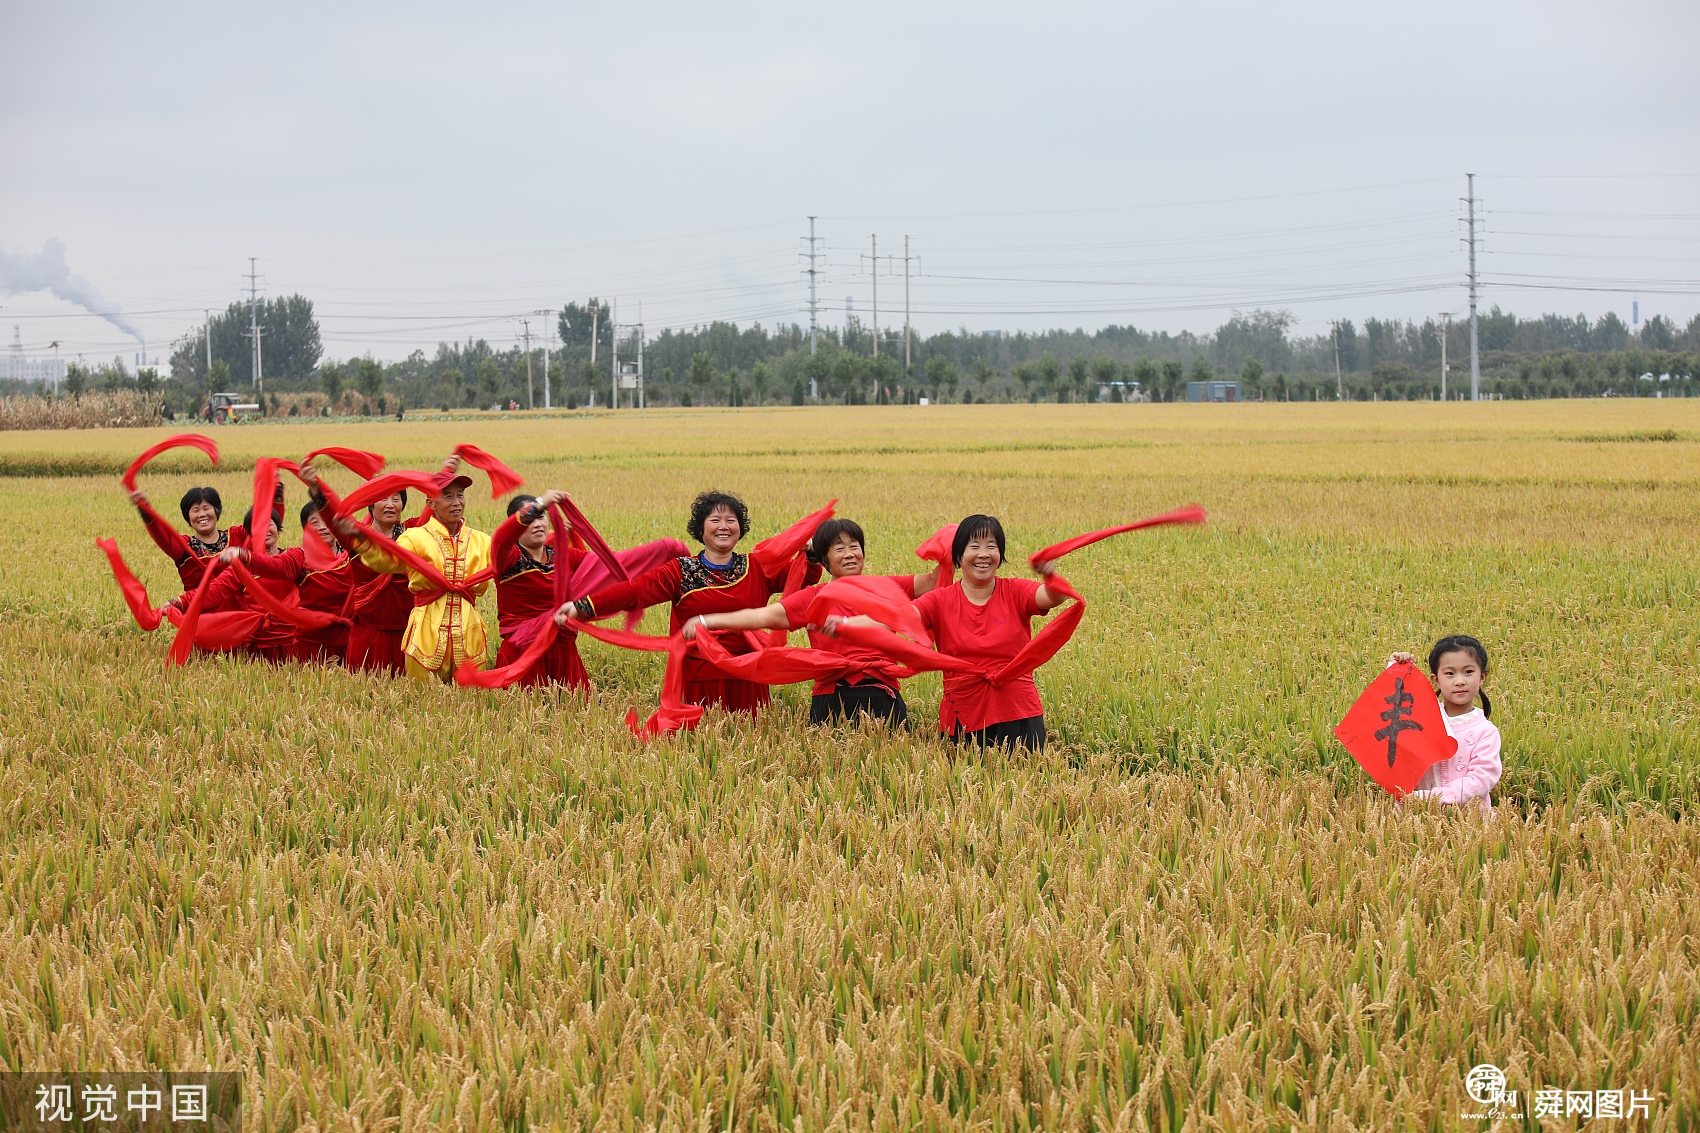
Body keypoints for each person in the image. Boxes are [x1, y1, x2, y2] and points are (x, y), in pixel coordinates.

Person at [566, 490, 818, 712]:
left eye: (731, 520)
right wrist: (584, 606)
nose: (724, 526)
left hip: (748, 674)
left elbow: (802, 577)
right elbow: (634, 591)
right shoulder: (680, 570)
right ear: (700, 529)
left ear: (740, 530)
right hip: (699, 676)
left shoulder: (757, 567)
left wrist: (811, 552)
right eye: (715, 520)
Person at [680, 518, 935, 725]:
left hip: (883, 692)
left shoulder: (887, 587)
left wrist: (953, 543)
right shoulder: (813, 597)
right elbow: (763, 616)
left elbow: (933, 584)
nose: (849, 554)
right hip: (833, 695)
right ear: (824, 561)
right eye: (839, 548)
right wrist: (707, 619)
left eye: (854, 546)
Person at [905, 514, 1068, 751]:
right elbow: (900, 618)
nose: (984, 554)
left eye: (991, 546)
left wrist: (1050, 575)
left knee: (1023, 784)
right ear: (959, 556)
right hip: (963, 713)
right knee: (966, 784)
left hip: (1017, 710)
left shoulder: (1015, 591)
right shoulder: (940, 600)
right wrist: (847, 624)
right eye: (974, 546)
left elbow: (1054, 597)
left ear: (1000, 555)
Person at [336, 461, 493, 683]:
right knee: (422, 703)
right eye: (448, 496)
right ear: (430, 502)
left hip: (469, 637)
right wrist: (360, 536)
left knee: (471, 706)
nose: (457, 502)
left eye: (460, 495)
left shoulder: (482, 541)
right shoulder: (415, 537)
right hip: (425, 640)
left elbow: (510, 563)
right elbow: (387, 560)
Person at [1386, 635, 1502, 813]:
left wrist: (1430, 798)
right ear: (1436, 679)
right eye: (1449, 673)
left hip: (1469, 825)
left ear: (1482, 677)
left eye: (1468, 672)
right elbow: (1393, 710)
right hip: (1417, 819)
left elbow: (1480, 780)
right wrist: (1396, 669)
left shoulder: (1485, 732)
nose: (1460, 681)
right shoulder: (1422, 718)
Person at [235, 499, 354, 664]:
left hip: (349, 639)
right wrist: (245, 556)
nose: (322, 527)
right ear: (305, 528)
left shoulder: (352, 556)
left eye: (327, 521)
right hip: (311, 642)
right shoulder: (300, 556)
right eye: (314, 522)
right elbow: (277, 565)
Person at [490, 490, 588, 689]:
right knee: (524, 717)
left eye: (541, 516)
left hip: (563, 652)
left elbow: (603, 566)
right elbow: (500, 539)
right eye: (529, 519)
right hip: (524, 653)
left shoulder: (564, 555)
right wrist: (540, 504)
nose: (537, 523)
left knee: (573, 715)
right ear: (516, 527)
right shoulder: (508, 559)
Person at [126, 485, 228, 589]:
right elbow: (163, 534)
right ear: (188, 517)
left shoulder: (236, 535)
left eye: (206, 508)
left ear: (217, 511)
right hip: (200, 604)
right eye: (195, 510)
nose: (201, 514)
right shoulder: (185, 546)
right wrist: (145, 509)